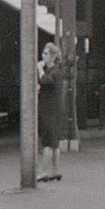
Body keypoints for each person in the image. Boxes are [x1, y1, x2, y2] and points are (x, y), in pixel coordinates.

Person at [37, 42, 65, 182]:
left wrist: (39, 68)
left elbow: (44, 81)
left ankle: (44, 172)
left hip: (49, 111)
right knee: (54, 143)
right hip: (53, 110)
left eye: (46, 54)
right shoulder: (55, 72)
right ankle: (56, 171)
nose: (43, 56)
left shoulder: (54, 72)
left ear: (53, 57)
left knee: (48, 143)